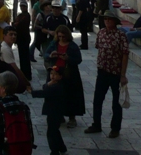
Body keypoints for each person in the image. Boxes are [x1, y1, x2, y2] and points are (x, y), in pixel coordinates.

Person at [85, 10, 128, 138]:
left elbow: (125, 55)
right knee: (97, 99)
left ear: (115, 21)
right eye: (105, 19)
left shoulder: (121, 35)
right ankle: (96, 124)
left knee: (116, 102)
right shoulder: (101, 33)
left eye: (109, 19)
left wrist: (123, 75)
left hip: (115, 72)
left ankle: (115, 128)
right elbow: (99, 48)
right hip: (102, 71)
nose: (107, 21)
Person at [0, 71, 34, 155]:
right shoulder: (24, 107)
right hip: (20, 149)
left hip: (3, 149)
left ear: (4, 89)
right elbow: (29, 130)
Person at [43, 24, 84, 128]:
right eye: (59, 36)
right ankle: (58, 114)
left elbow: (78, 59)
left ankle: (71, 117)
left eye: (63, 36)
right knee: (55, 95)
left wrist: (68, 58)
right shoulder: (54, 44)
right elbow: (46, 54)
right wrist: (51, 55)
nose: (61, 38)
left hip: (68, 73)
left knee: (70, 95)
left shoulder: (72, 46)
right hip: (55, 72)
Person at [31, 65, 68, 155]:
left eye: (55, 74)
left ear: (60, 76)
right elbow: (45, 87)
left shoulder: (57, 87)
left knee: (51, 132)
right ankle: (62, 147)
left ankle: (54, 151)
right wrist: (48, 84)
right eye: (51, 73)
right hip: (53, 112)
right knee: (55, 130)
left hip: (54, 112)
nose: (52, 76)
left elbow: (45, 93)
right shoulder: (53, 84)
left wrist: (32, 92)